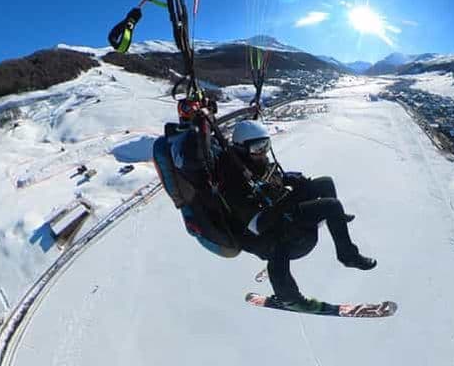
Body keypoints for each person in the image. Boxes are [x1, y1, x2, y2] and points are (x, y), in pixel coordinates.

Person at [153, 102, 376, 309]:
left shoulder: (250, 161)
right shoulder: (232, 179)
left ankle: (336, 222)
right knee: (330, 206)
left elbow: (268, 179)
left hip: (276, 210)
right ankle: (336, 262)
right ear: (242, 148)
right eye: (258, 147)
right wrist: (292, 199)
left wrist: (290, 180)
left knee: (325, 183)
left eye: (265, 145)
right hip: (261, 230)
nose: (263, 152)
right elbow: (257, 224)